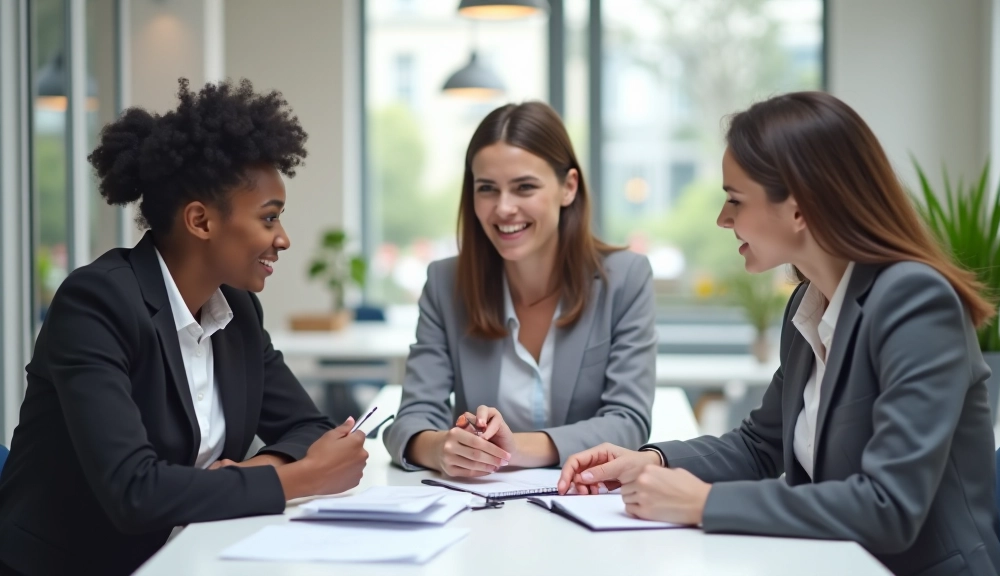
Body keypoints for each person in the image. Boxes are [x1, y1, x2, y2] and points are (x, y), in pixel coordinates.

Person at [557, 91, 1000, 576]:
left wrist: (704, 503)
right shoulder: (810, 302)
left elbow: (889, 507)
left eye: (734, 199)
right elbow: (760, 444)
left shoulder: (916, 300)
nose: (722, 219)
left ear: (799, 208)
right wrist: (652, 461)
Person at [0, 78, 369, 576]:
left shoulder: (235, 312)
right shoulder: (97, 304)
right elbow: (135, 492)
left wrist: (260, 470)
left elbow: (308, 428)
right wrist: (300, 479)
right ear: (200, 220)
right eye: (269, 218)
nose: (282, 239)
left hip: (189, 553)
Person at [383, 101, 656, 477]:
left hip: (582, 504)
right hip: (479, 512)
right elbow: (410, 420)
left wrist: (516, 448)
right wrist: (439, 448)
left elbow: (628, 422)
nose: (504, 208)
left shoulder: (625, 278)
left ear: (568, 187)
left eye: (524, 187)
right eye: (487, 189)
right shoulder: (446, 284)